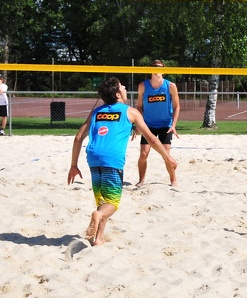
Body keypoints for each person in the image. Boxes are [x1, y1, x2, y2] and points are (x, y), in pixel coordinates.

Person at [68, 77, 178, 246]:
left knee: (102, 200)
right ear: (118, 94)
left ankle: (99, 238)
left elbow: (77, 138)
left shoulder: (97, 111)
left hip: (93, 157)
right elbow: (152, 139)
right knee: (112, 204)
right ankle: (96, 216)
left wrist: (74, 165)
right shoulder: (131, 112)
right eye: (122, 87)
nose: (126, 88)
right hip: (112, 159)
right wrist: (167, 157)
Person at [134, 60, 180, 187]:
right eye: (154, 66)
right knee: (143, 154)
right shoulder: (143, 86)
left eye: (159, 67)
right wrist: (138, 124)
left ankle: (173, 179)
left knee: (166, 153)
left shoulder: (170, 86)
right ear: (150, 69)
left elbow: (176, 106)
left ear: (164, 71)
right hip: (148, 124)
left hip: (165, 124)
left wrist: (174, 124)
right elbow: (139, 107)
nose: (157, 68)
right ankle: (141, 180)